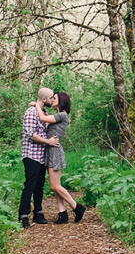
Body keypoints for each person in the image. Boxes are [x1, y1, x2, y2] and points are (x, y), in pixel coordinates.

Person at [31, 91, 86, 223]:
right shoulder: (57, 115)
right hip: (50, 150)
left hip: (55, 151)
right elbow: (45, 122)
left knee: (55, 186)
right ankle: (62, 213)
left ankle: (76, 207)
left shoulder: (62, 115)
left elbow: (43, 119)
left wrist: (36, 105)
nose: (52, 100)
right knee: (54, 186)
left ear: (61, 100)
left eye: (54, 98)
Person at [18, 87, 59, 229]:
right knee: (30, 185)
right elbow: (31, 134)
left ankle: (38, 212)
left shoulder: (43, 113)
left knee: (39, 186)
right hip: (31, 155)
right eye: (51, 97)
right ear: (43, 99)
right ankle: (23, 215)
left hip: (41, 156)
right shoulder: (31, 113)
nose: (52, 99)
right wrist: (48, 142)